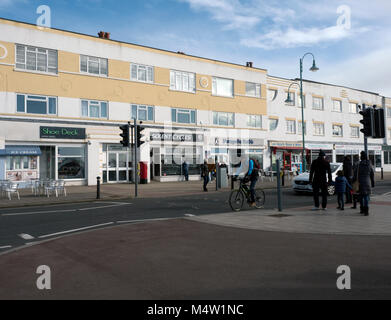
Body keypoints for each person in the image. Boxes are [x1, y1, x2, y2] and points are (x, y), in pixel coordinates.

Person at [353, 151, 375, 216]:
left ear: (361, 157)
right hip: (368, 182)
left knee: (361, 196)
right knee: (366, 197)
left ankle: (362, 209)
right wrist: (373, 182)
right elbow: (372, 174)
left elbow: (355, 175)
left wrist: (353, 181)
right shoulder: (369, 165)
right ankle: (366, 211)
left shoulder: (358, 165)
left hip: (360, 183)